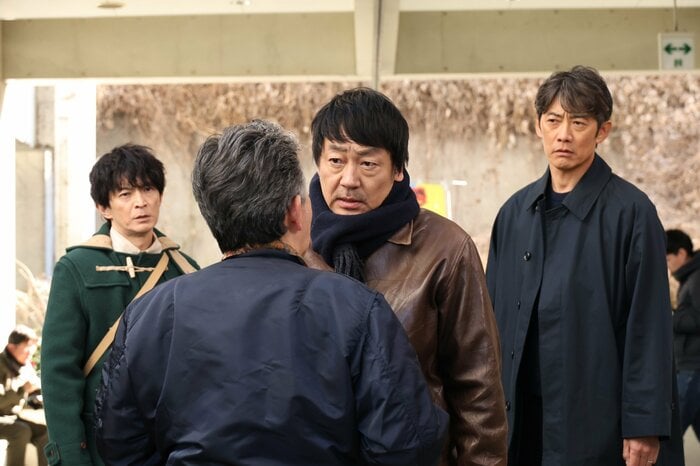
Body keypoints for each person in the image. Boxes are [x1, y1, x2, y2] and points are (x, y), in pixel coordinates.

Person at [94, 120, 449, 465]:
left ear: (213, 217)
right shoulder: (357, 308)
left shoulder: (150, 313)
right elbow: (407, 445)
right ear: (295, 212)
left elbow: (118, 441)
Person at [486, 65, 683, 466]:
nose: (564, 134)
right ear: (538, 126)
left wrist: (644, 423)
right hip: (519, 418)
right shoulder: (513, 214)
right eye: (553, 120)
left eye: (578, 122)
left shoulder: (631, 213)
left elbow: (649, 326)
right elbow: (490, 322)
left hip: (596, 421)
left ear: (602, 131)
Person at [304, 87, 507, 465]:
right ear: (318, 162)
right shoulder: (294, 243)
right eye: (336, 160)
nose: (349, 179)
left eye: (368, 163)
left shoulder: (446, 249)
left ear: (398, 170)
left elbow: (478, 390)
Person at [41, 144, 199, 466]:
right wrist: (71, 456)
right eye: (125, 194)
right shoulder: (76, 268)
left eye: (148, 189)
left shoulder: (186, 271)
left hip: (170, 445)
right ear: (104, 207)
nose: (141, 202)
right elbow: (59, 372)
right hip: (98, 446)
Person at [666, 229, 700, 442]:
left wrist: (672, 318)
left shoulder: (697, 278)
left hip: (692, 366)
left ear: (681, 253)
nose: (668, 266)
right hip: (691, 366)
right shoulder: (691, 278)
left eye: (668, 259)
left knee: (668, 436)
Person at [0, 325, 47, 466]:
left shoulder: (25, 365)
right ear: (12, 346)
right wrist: (22, 390)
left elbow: (33, 390)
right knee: (21, 431)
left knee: (45, 432)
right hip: (3, 417)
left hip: (13, 416)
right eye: (27, 347)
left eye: (33, 348)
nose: (31, 353)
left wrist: (38, 396)